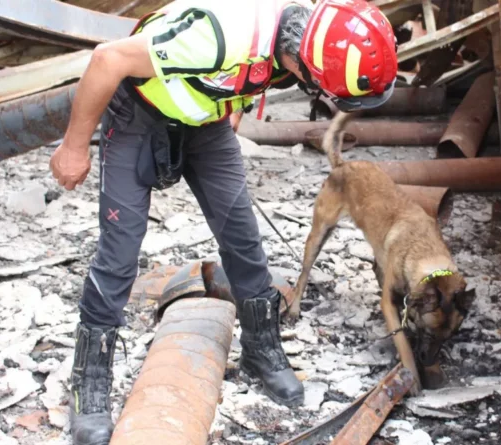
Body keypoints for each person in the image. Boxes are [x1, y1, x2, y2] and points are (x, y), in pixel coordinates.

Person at [48, 0, 398, 443]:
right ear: (305, 64)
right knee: (120, 249)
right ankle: (89, 384)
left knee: (243, 239)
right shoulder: (214, 38)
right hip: (139, 112)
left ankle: (261, 349)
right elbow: (108, 58)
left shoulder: (303, 36)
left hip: (206, 122)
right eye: (321, 90)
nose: (320, 98)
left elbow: (259, 70)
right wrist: (75, 146)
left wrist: (233, 106)